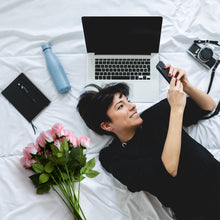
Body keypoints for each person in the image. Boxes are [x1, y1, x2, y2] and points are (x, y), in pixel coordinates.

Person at [77, 64, 220, 220]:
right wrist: (177, 110)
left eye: (128, 101)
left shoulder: (154, 116)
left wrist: (187, 86)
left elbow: (208, 106)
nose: (132, 106)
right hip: (198, 212)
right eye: (120, 106)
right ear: (106, 125)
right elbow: (169, 169)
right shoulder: (116, 159)